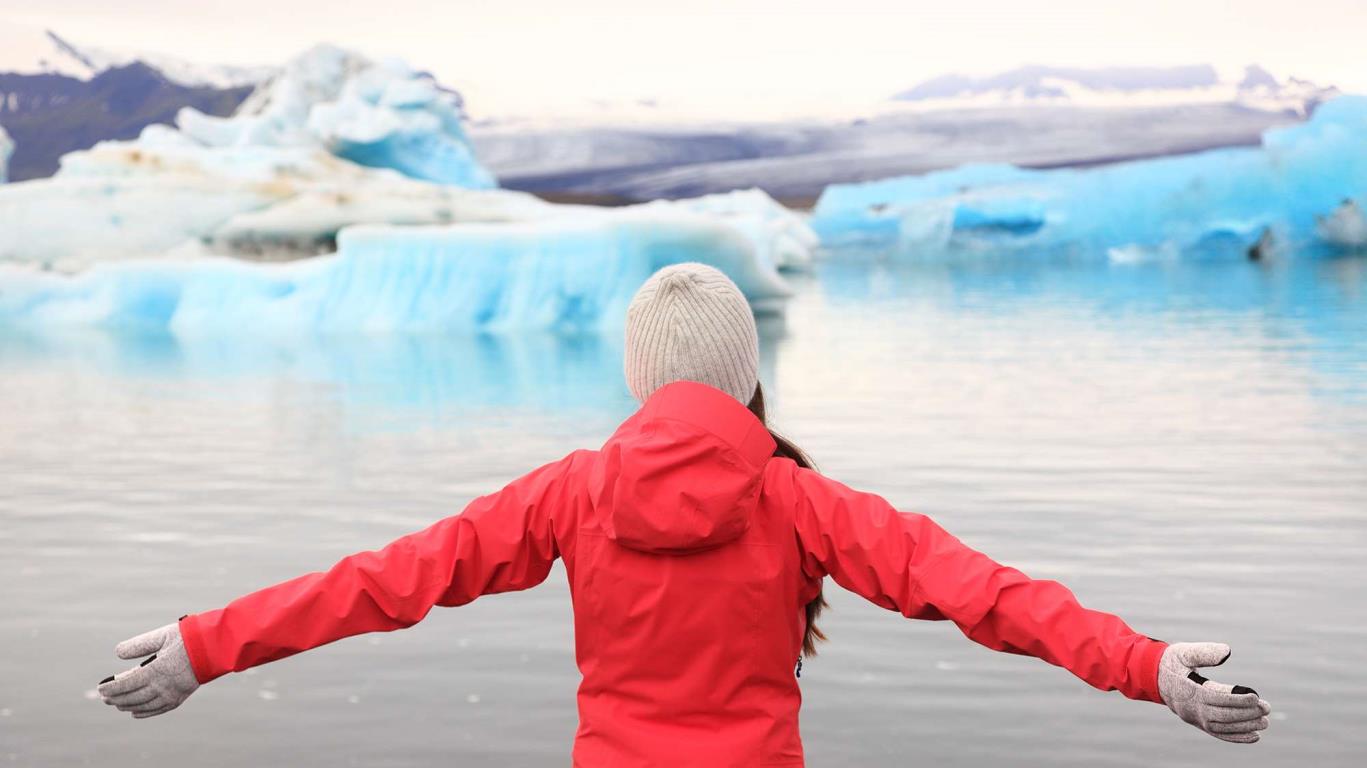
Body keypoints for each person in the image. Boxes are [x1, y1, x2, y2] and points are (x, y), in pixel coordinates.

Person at [98, 263, 1271, 764]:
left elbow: (381, 581)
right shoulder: (797, 499)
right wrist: (1145, 665)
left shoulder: (572, 493)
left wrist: (206, 645)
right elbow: (983, 593)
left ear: (641, 378)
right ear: (745, 376)